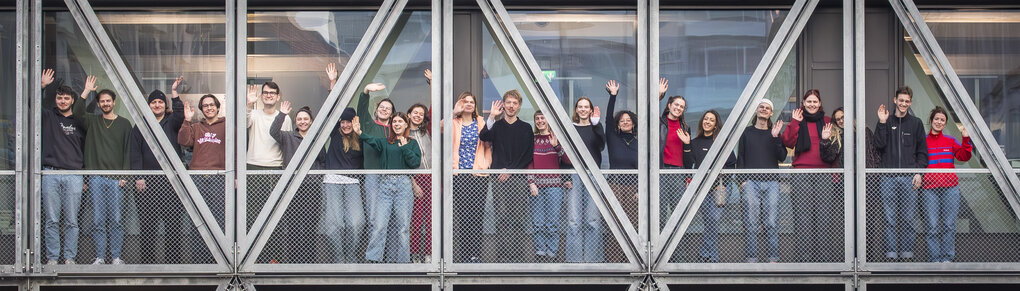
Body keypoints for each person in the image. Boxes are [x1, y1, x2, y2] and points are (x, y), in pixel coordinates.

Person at [73, 76, 132, 265]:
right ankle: (99, 257)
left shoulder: (124, 124)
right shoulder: (92, 122)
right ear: (98, 104)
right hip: (96, 178)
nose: (105, 104)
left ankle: (115, 257)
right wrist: (85, 92)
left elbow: (127, 151)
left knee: (116, 220)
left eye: (108, 100)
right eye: (102, 101)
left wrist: (124, 175)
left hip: (117, 179)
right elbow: (77, 113)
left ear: (114, 102)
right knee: (98, 220)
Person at [128, 76, 185, 264]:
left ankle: (173, 263)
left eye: (160, 102)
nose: (157, 105)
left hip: (171, 183)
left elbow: (179, 112)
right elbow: (134, 153)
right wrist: (139, 177)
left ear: (164, 104)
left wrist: (174, 92)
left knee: (173, 223)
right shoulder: (141, 125)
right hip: (147, 184)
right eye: (154, 102)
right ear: (149, 105)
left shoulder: (173, 122)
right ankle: (148, 263)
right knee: (147, 225)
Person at [357, 112, 421, 263]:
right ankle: (373, 259)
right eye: (394, 122)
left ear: (406, 124)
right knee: (379, 225)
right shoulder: (386, 142)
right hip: (385, 185)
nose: (397, 124)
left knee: (403, 227)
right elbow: (370, 140)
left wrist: (405, 147)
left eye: (400, 121)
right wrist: (359, 132)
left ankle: (403, 262)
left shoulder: (411, 143)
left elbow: (415, 164)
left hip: (404, 185)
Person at [479, 90, 534, 263]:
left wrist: (510, 170)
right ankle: (503, 256)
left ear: (519, 106)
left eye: (514, 103)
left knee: (518, 217)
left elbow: (527, 155)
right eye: (508, 102)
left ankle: (516, 256)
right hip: (498, 178)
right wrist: (492, 117)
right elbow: (483, 136)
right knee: (501, 217)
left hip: (517, 178)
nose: (511, 106)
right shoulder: (497, 126)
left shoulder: (526, 127)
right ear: (503, 104)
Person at [873, 86, 928, 260]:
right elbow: (878, 145)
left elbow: (922, 152)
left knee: (908, 218)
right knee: (890, 218)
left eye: (907, 101)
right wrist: (882, 122)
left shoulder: (916, 123)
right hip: (887, 177)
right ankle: (890, 255)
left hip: (909, 177)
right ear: (895, 100)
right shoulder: (886, 122)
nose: (903, 103)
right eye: (901, 100)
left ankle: (907, 255)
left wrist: (919, 173)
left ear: (910, 102)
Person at [780, 89, 834, 262]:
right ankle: (805, 259)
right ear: (803, 103)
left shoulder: (827, 121)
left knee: (824, 217)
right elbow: (787, 141)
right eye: (809, 101)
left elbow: (834, 150)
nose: (812, 104)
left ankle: (823, 258)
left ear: (819, 104)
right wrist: (795, 122)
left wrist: (834, 174)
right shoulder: (798, 120)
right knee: (803, 217)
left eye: (815, 102)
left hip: (823, 173)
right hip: (801, 173)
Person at [40, 69, 86, 265]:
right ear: (56, 100)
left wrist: (85, 177)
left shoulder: (79, 120)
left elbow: (88, 149)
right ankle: (52, 258)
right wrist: (42, 86)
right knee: (51, 220)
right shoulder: (49, 116)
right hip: (50, 173)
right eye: (60, 98)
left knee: (72, 221)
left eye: (66, 98)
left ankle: (69, 258)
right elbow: (28, 105)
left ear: (72, 101)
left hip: (74, 175)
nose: (63, 101)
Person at [269, 101, 323, 262]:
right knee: (292, 226)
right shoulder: (288, 136)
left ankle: (308, 262)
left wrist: (317, 176)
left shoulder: (316, 138)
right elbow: (273, 132)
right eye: (299, 119)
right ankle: (292, 261)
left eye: (305, 119)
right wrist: (282, 114)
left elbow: (322, 160)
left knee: (309, 226)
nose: (302, 121)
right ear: (295, 122)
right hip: (291, 187)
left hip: (311, 187)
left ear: (311, 121)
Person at [737, 99, 786, 263]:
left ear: (771, 113)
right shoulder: (746, 132)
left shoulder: (775, 132)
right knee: (751, 223)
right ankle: (751, 259)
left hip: (772, 183)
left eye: (767, 108)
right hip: (750, 183)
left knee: (771, 222)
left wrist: (776, 137)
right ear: (757, 111)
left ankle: (773, 259)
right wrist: (742, 181)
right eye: (761, 107)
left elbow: (782, 157)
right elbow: (741, 157)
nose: (764, 109)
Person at [921, 106, 971, 262]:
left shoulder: (950, 141)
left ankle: (947, 259)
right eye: (936, 119)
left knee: (949, 225)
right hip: (929, 189)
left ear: (945, 123)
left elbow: (963, 156)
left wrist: (965, 138)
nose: (939, 122)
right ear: (931, 121)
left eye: (942, 120)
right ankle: (934, 260)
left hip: (950, 188)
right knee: (932, 226)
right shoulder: (923, 141)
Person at [686, 110, 736, 262]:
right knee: (709, 221)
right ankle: (711, 256)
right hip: (702, 189)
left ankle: (706, 254)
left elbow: (732, 164)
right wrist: (687, 145)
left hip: (719, 189)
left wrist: (724, 185)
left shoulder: (722, 142)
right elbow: (689, 164)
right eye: (705, 119)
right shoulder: (695, 143)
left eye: (711, 120)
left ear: (716, 125)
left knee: (713, 220)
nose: (707, 121)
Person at [449, 91, 491, 263]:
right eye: (465, 101)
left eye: (471, 102)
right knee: (464, 216)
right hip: (460, 174)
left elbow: (489, 140)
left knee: (477, 215)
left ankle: (476, 255)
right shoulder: (454, 122)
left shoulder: (481, 122)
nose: (468, 104)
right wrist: (453, 112)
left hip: (479, 174)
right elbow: (439, 128)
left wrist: (487, 163)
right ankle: (465, 255)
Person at [319, 107, 365, 263]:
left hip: (353, 182)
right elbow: (332, 112)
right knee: (335, 223)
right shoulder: (335, 133)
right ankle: (339, 257)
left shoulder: (360, 136)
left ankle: (350, 256)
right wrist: (332, 88)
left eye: (348, 122)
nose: (345, 125)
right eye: (343, 122)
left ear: (354, 122)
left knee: (357, 222)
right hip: (332, 180)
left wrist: (359, 131)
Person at [564, 96, 605, 263]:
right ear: (576, 109)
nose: (582, 109)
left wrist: (597, 124)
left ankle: (592, 260)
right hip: (574, 174)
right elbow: (565, 154)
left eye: (585, 107)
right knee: (573, 220)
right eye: (579, 106)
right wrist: (566, 176)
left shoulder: (595, 127)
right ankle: (574, 260)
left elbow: (601, 145)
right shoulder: (570, 128)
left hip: (592, 175)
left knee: (592, 219)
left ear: (590, 110)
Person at [527, 111, 571, 262]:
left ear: (548, 120)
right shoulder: (531, 139)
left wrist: (557, 146)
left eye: (542, 118)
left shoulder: (556, 137)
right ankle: (540, 252)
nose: (540, 121)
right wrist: (531, 182)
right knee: (538, 222)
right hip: (537, 186)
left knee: (552, 223)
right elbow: (529, 162)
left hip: (554, 186)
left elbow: (568, 161)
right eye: (537, 118)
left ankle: (552, 253)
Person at [178, 94, 227, 227]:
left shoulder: (227, 126)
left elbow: (235, 152)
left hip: (220, 177)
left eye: (212, 105)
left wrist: (235, 177)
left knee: (219, 217)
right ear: (201, 109)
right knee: (198, 218)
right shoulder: (196, 127)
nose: (209, 108)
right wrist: (187, 120)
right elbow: (183, 141)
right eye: (205, 106)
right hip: (198, 176)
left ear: (218, 108)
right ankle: (198, 248)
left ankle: (217, 248)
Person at [657, 78, 692, 229]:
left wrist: (687, 144)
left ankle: (679, 253)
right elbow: (647, 115)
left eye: (682, 106)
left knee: (678, 215)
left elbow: (688, 156)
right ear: (669, 105)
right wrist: (658, 95)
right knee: (659, 214)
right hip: (661, 171)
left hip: (678, 173)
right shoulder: (658, 123)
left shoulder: (685, 127)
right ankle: (659, 252)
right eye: (676, 104)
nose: (678, 108)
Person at [604, 80, 639, 228]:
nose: (625, 122)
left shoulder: (640, 143)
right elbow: (607, 120)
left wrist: (640, 190)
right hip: (615, 186)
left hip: (634, 189)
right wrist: (613, 96)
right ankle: (615, 252)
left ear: (634, 123)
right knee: (615, 224)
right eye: (622, 121)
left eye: (628, 120)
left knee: (633, 223)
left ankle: (631, 252)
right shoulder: (613, 138)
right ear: (617, 124)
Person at [407, 103, 432, 263]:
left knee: (430, 218)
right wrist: (413, 182)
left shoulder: (427, 131)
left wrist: (432, 82)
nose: (418, 116)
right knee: (416, 220)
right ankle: (414, 254)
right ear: (408, 114)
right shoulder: (403, 133)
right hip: (415, 178)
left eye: (421, 114)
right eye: (415, 113)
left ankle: (429, 254)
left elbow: (433, 106)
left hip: (430, 176)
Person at [246, 81, 291, 170]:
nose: (268, 95)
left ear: (278, 97)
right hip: (253, 164)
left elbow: (287, 143)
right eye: (265, 92)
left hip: (276, 165)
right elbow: (243, 125)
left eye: (272, 93)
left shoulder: (285, 118)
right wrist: (249, 104)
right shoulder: (253, 114)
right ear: (262, 96)